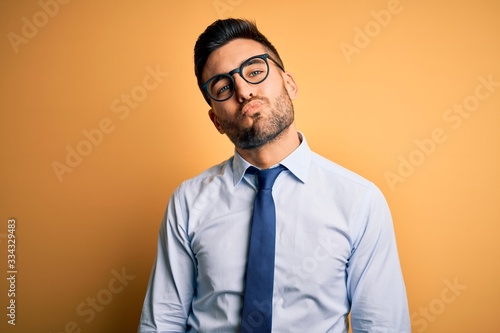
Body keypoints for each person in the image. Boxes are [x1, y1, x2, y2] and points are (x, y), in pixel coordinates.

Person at [138, 18, 410, 333]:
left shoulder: (359, 201)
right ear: (215, 119)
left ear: (289, 83)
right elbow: (163, 322)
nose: (243, 90)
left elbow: (381, 326)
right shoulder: (188, 201)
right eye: (223, 87)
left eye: (254, 71)